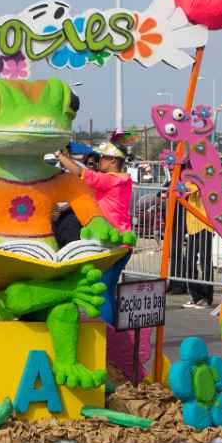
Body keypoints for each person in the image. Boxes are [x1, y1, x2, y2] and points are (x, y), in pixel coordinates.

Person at [56, 136, 134, 324]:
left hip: (108, 243)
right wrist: (69, 158)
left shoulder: (111, 180)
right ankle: (113, 332)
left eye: (104, 157)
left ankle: (106, 332)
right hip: (123, 243)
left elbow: (81, 173)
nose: (100, 161)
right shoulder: (124, 179)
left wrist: (59, 155)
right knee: (109, 290)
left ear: (113, 160)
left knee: (101, 290)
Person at [182, 182, 214, 310]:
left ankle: (206, 297)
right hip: (192, 226)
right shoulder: (188, 181)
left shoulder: (205, 180)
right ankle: (195, 296)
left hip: (205, 225)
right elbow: (180, 190)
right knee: (189, 261)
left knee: (205, 262)